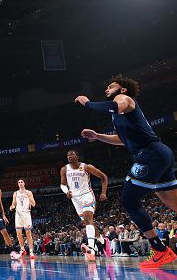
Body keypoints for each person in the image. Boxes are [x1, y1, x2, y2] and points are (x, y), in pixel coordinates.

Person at [76, 76, 177, 268]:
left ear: (122, 90)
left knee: (129, 202)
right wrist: (97, 136)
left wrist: (87, 103)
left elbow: (113, 106)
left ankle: (161, 251)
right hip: (159, 153)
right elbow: (122, 140)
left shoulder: (123, 100)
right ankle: (162, 251)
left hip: (149, 155)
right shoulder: (120, 116)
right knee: (173, 203)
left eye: (111, 86)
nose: (107, 88)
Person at [60, 150, 109, 260]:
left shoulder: (86, 167)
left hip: (87, 195)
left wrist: (103, 192)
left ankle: (91, 248)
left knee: (87, 219)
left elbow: (103, 177)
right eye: (68, 155)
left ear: (77, 157)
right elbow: (62, 185)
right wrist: (66, 191)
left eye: (72, 154)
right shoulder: (64, 169)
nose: (69, 156)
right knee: (88, 223)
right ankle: (102, 240)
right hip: (75, 199)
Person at [9, 179, 36, 259]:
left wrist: (28, 197)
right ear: (18, 184)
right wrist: (12, 207)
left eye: (21, 182)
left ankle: (31, 251)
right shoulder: (15, 193)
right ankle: (22, 249)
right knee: (18, 233)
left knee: (28, 234)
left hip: (26, 214)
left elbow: (33, 204)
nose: (20, 183)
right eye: (19, 182)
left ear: (24, 183)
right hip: (18, 214)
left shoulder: (29, 192)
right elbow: (13, 203)